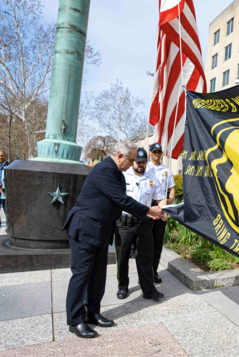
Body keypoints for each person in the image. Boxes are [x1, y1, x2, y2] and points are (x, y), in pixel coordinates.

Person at [63, 140, 163, 339]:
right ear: (120, 157)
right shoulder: (104, 170)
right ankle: (75, 320)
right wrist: (148, 210)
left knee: (97, 275)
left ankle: (92, 312)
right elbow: (121, 199)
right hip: (85, 228)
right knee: (81, 275)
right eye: (131, 160)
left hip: (100, 230)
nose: (133, 164)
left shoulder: (116, 172)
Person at [115, 148, 165, 301]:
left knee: (145, 258)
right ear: (133, 162)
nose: (140, 165)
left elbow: (161, 197)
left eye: (143, 162)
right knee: (122, 257)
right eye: (138, 162)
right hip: (124, 224)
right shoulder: (122, 176)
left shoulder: (151, 179)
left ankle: (148, 289)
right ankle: (122, 286)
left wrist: (162, 211)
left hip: (144, 224)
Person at [147, 143, 176, 284]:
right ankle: (145, 272)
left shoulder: (166, 170)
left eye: (159, 152)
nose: (157, 154)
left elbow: (172, 188)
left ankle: (154, 271)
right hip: (147, 206)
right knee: (147, 242)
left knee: (158, 242)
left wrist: (170, 200)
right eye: (154, 152)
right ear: (150, 153)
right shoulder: (145, 167)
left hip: (161, 205)